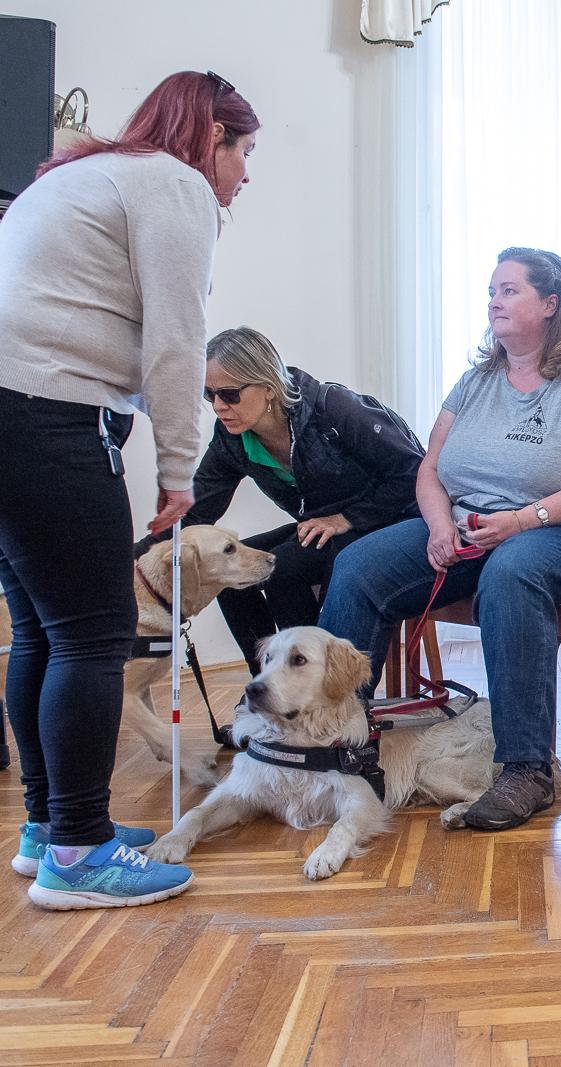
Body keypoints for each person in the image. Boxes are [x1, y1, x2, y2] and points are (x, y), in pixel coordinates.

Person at [0, 71, 258, 908]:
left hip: (13, 407)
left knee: (42, 626)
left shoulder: (80, 175)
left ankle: (50, 830)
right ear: (208, 136)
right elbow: (177, 342)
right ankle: (79, 853)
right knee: (95, 633)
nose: (243, 175)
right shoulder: (175, 183)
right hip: (43, 413)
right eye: (242, 151)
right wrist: (178, 473)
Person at [319, 248, 561, 830]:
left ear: (550, 303)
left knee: (511, 574)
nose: (494, 299)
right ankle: (338, 743)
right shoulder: (474, 382)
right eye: (492, 289)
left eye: (510, 290)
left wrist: (521, 520)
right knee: (359, 565)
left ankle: (525, 769)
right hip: (465, 527)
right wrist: (440, 526)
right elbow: (429, 469)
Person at [138, 328, 425, 675]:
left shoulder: (333, 409)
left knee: (282, 569)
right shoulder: (232, 439)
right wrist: (134, 558)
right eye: (208, 394)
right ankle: (265, 684)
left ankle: (307, 686)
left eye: (229, 394)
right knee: (230, 573)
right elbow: (196, 510)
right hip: (321, 529)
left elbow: (414, 473)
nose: (218, 406)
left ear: (268, 387)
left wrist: (346, 518)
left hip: (390, 522)